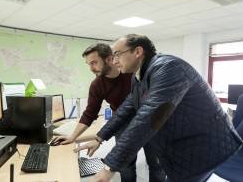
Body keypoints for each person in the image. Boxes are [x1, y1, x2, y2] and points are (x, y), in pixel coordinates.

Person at [76, 34, 243, 182]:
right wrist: (99, 138)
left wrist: (109, 167)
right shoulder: (139, 77)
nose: (114, 60)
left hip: (204, 145)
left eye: (117, 54)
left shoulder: (169, 68)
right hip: (181, 140)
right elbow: (126, 109)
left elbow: (147, 117)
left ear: (138, 52)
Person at [52, 43, 165, 182]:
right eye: (88, 64)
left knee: (156, 163)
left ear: (109, 59)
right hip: (121, 123)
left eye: (94, 62)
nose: (91, 68)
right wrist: (73, 137)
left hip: (148, 121)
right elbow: (90, 113)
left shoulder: (131, 73)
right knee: (126, 165)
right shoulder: (97, 85)